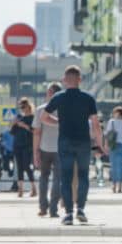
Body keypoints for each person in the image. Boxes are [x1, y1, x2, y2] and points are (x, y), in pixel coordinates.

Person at [42, 65, 106, 225]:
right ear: (80, 79)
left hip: (65, 142)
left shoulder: (58, 97)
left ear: (64, 80)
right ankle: (81, 210)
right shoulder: (88, 98)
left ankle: (69, 213)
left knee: (66, 177)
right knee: (83, 176)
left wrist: (59, 122)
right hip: (83, 142)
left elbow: (44, 117)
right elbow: (96, 124)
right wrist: (100, 145)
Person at [33, 82, 62, 217]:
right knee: (58, 179)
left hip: (45, 148)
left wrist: (35, 152)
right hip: (61, 149)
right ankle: (53, 209)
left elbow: (37, 132)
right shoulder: (64, 109)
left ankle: (43, 207)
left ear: (50, 93)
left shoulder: (41, 110)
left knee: (43, 177)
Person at [11, 98, 36, 197]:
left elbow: (34, 131)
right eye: (20, 107)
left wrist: (24, 126)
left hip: (27, 145)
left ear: (28, 106)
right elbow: (12, 132)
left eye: (23, 106)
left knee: (27, 166)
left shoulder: (33, 118)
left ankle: (33, 188)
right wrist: (13, 124)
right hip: (17, 145)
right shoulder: (19, 117)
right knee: (19, 167)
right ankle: (20, 189)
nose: (22, 109)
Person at [105, 106, 122, 193]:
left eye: (114, 112)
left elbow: (108, 134)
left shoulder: (111, 122)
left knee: (113, 166)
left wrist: (106, 145)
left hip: (113, 145)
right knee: (121, 166)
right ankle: (120, 186)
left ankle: (114, 185)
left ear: (117, 113)